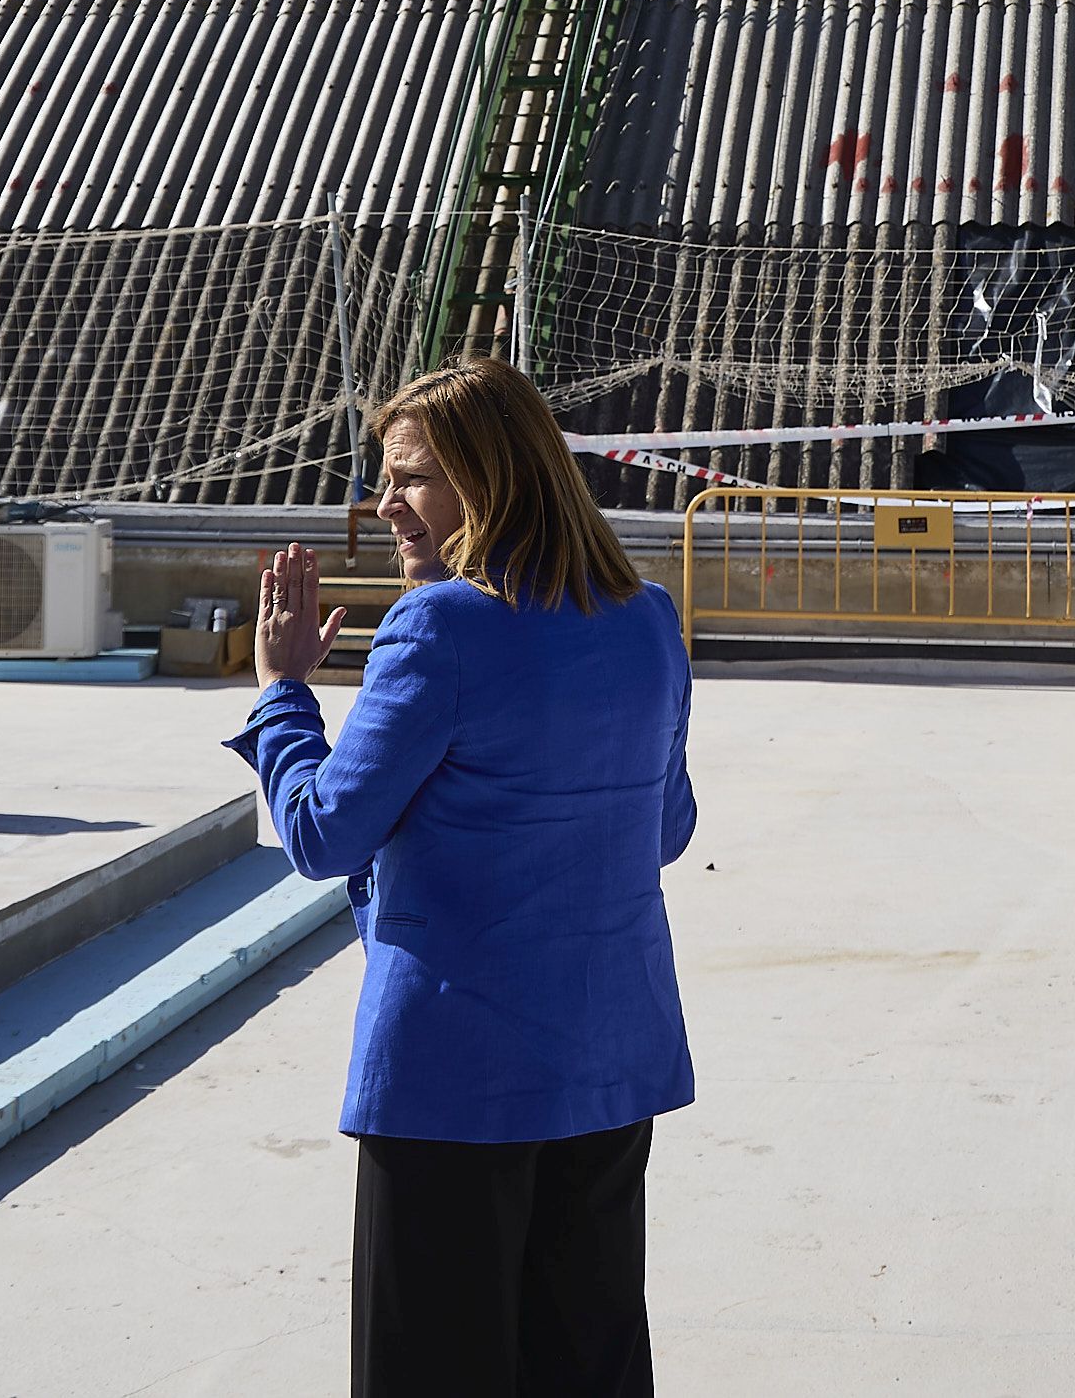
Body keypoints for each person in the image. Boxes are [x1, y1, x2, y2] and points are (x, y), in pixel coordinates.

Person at [231, 356, 697, 1398]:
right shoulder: (646, 619)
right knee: (587, 1360)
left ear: (488, 481)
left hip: (455, 1077)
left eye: (409, 478)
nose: (383, 503)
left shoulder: (439, 626)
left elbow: (320, 833)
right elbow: (665, 827)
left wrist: (284, 692)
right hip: (612, 1062)